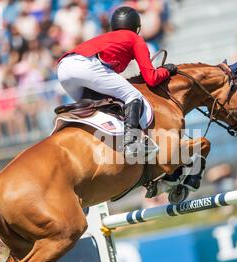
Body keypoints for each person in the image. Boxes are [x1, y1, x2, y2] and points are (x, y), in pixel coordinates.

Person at [56, 6, 178, 157]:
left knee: (101, 107)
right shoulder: (135, 38)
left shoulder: (107, 37)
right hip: (86, 66)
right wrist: (166, 70)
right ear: (137, 28)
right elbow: (151, 79)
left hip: (63, 69)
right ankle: (131, 143)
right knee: (133, 96)